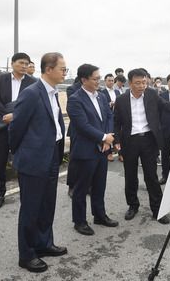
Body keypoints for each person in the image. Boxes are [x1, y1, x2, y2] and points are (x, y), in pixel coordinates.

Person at [9, 52, 68, 273]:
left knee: (47, 204)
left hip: (52, 155)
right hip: (33, 159)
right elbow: (16, 127)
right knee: (31, 208)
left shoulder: (53, 93)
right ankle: (26, 255)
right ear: (49, 69)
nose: (64, 72)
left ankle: (43, 244)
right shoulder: (32, 93)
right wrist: (19, 152)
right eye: (62, 68)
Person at [113, 68, 170, 224]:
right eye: (137, 83)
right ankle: (133, 206)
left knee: (152, 177)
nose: (142, 85)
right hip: (130, 141)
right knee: (130, 176)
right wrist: (117, 140)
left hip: (149, 140)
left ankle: (158, 210)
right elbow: (116, 122)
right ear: (130, 83)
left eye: (144, 82)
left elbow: (168, 106)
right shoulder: (121, 100)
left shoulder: (151, 95)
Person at [68, 64, 118, 236]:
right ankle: (79, 221)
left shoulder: (101, 97)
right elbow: (83, 125)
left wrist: (108, 136)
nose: (99, 81)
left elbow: (109, 116)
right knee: (81, 188)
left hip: (102, 149)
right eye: (95, 79)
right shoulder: (75, 99)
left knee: (99, 185)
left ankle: (99, 215)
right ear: (84, 79)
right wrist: (104, 138)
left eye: (99, 78)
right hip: (85, 150)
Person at [0, 52, 36, 210]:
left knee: (23, 160)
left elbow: (32, 105)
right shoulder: (0, 79)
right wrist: (6, 115)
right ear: (13, 64)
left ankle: (26, 192)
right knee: (0, 161)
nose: (24, 66)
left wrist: (16, 116)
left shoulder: (32, 82)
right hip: (1, 126)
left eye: (27, 63)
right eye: (21, 63)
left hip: (22, 127)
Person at [66, 77, 82, 197]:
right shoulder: (72, 89)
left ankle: (86, 185)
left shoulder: (97, 91)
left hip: (93, 130)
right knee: (75, 158)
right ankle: (72, 186)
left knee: (88, 160)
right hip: (77, 129)